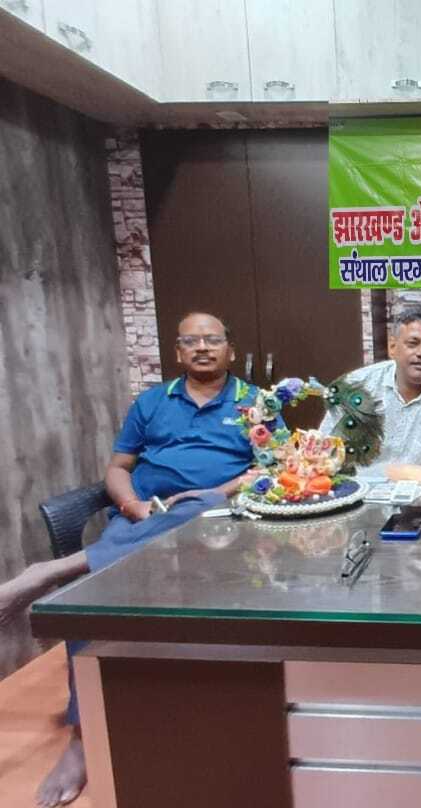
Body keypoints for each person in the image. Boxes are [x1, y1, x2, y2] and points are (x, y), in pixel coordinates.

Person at [0, 312, 265, 807]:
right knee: (92, 597)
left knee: (193, 508)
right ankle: (82, 737)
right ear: (178, 351)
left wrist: (216, 492)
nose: (202, 347)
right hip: (143, 515)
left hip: (218, 523)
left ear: (230, 349)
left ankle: (56, 570)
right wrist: (129, 505)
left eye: (212, 340)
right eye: (191, 341)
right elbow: (118, 467)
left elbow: (267, 469)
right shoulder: (151, 402)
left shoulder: (257, 402)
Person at [320, 308, 421, 476]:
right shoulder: (355, 386)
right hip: (356, 488)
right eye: (413, 343)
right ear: (392, 347)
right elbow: (324, 455)